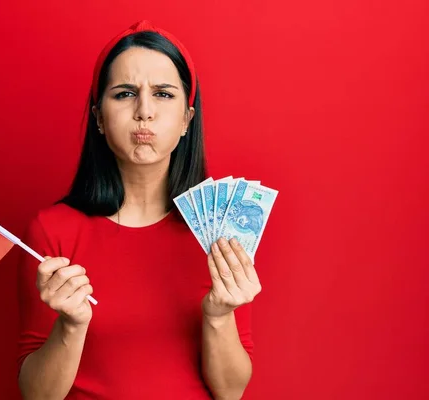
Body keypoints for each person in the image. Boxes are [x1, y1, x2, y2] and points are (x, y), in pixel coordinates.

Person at [16, 20, 262, 400]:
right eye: (125, 93)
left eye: (163, 94)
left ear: (187, 119)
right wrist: (70, 325)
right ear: (98, 117)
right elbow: (37, 396)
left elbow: (230, 392)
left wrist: (218, 315)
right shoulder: (53, 231)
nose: (144, 111)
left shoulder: (221, 228)